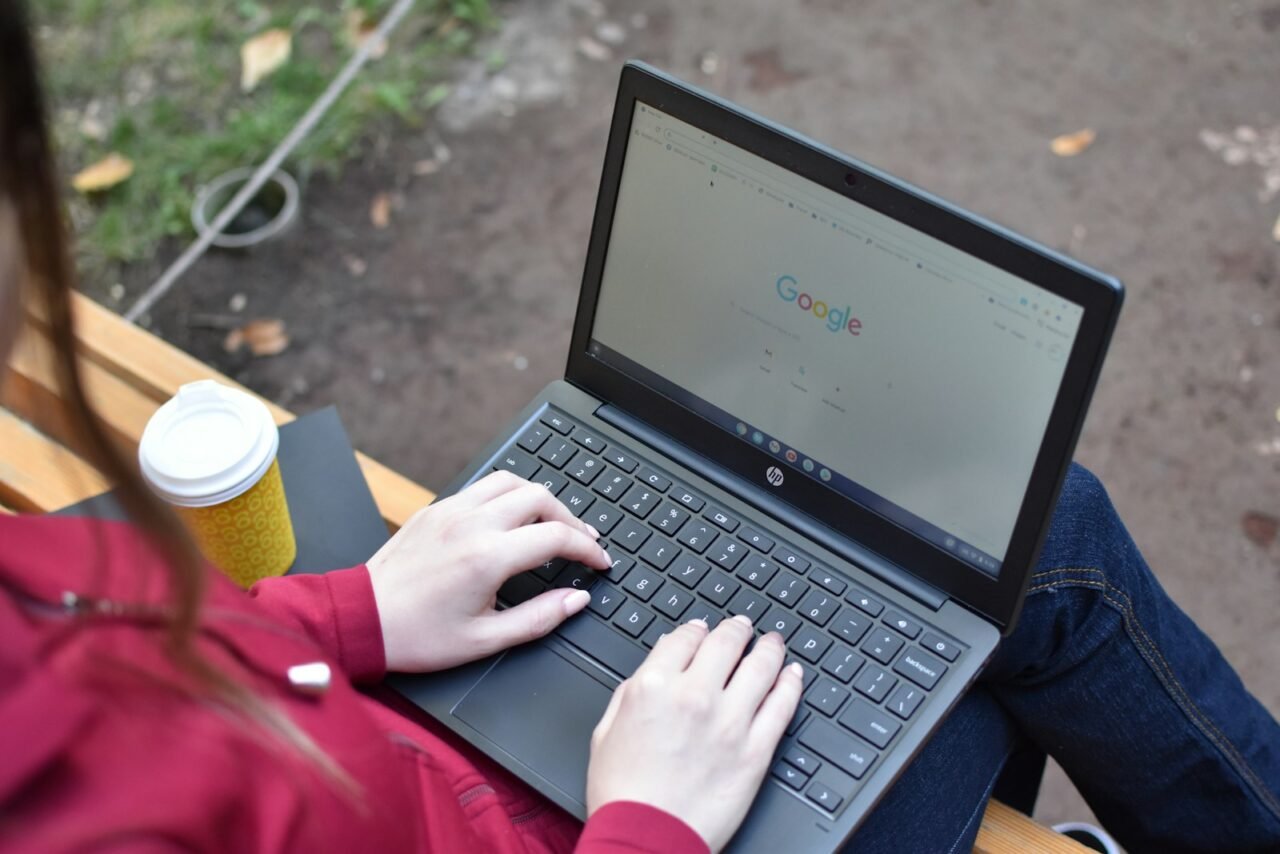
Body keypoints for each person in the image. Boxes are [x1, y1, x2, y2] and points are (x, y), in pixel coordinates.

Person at [1, 2, 1277, 851]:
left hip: (404, 728)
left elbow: (120, 660)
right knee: (1024, 561)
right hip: (600, 822)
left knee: (957, 570)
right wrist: (650, 819)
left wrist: (349, 614)